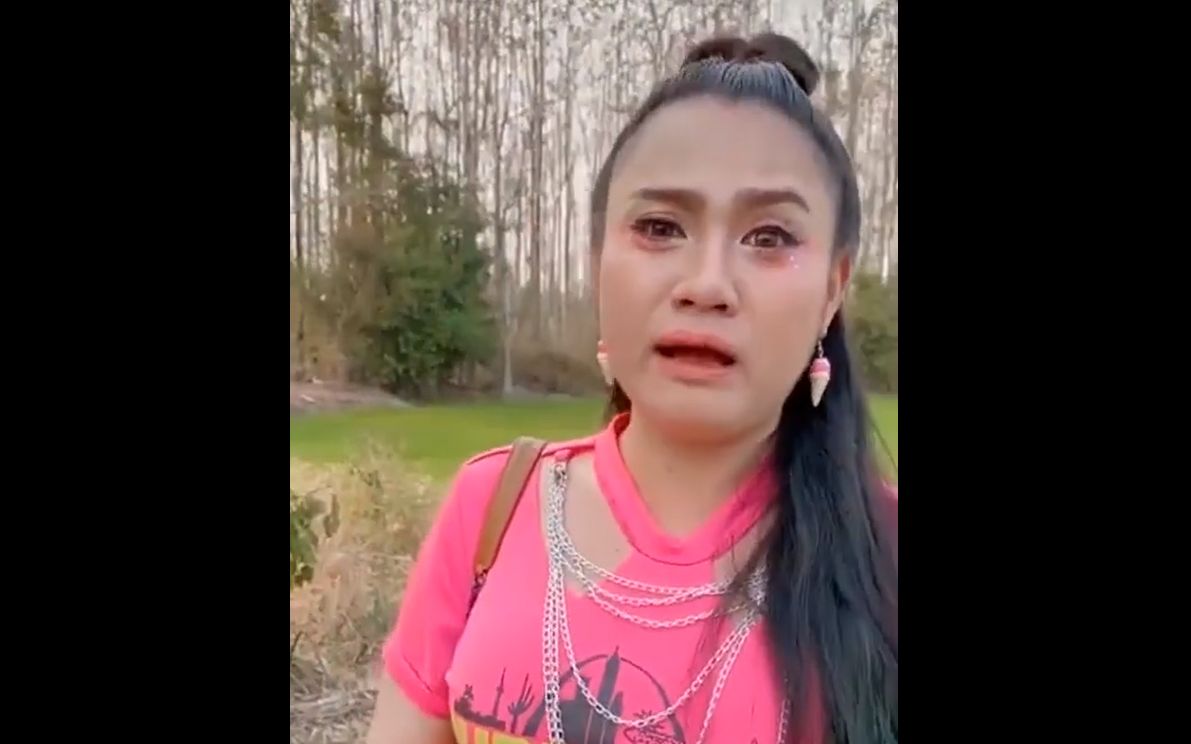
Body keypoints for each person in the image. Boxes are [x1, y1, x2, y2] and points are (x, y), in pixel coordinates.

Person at [365, 32, 898, 744]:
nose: (706, 284)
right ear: (598, 265)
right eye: (659, 227)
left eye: (769, 237)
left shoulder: (884, 557)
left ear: (832, 289)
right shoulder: (492, 507)